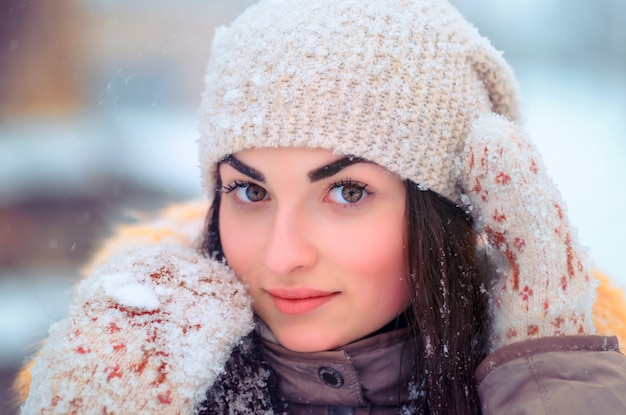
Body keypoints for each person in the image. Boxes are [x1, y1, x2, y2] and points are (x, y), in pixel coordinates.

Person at [15, 0, 626, 414]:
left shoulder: (566, 379)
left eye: (347, 191)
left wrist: (550, 384)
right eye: (251, 192)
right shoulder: (128, 365)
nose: (282, 256)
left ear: (450, 211)